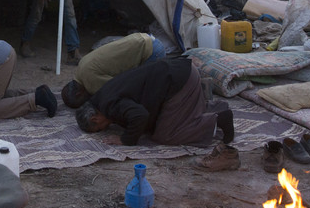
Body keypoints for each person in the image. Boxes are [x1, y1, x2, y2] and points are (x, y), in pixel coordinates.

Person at [75, 56, 233, 148]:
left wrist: (126, 140)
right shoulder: (102, 96)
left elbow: (140, 115)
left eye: (99, 128)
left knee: (165, 136)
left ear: (94, 118)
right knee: (168, 121)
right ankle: (209, 107)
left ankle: (217, 120)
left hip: (181, 81)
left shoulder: (109, 106)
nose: (105, 128)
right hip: (180, 71)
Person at [60, 32, 167, 109]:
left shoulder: (89, 80)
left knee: (144, 99)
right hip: (144, 39)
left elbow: (115, 91)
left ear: (79, 94)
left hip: (151, 52)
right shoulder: (81, 67)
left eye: (81, 102)